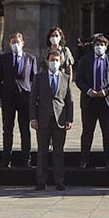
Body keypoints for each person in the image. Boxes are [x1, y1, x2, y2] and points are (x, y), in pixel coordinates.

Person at [74, 33, 109, 169]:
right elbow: (79, 79)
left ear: (106, 47)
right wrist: (88, 90)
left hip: (106, 101)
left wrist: (107, 91)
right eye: (97, 45)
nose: (99, 47)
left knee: (107, 132)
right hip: (89, 101)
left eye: (102, 45)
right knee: (87, 132)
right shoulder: (85, 60)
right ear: (93, 46)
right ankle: (84, 159)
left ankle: (108, 160)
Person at [29, 48, 73, 191]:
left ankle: (59, 181)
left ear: (60, 62)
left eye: (57, 60)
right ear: (47, 61)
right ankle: (41, 180)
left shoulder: (66, 78)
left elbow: (69, 100)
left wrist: (69, 119)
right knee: (42, 151)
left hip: (60, 119)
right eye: (52, 60)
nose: (54, 62)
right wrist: (33, 118)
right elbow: (33, 99)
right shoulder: (39, 77)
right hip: (43, 119)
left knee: (58, 152)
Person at [0, 32, 36, 168]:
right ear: (9, 44)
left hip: (25, 98)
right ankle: (6, 159)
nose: (15, 45)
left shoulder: (30, 59)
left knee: (25, 129)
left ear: (22, 43)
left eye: (17, 42)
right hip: (8, 99)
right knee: (7, 129)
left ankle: (27, 159)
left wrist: (35, 99)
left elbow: (34, 80)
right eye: (13, 42)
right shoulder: (4, 58)